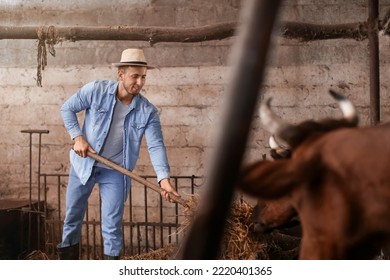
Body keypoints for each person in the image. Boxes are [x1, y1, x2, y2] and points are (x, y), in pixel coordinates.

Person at [57, 48, 180, 260]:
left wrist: (164, 180)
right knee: (72, 218)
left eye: (143, 77)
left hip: (115, 171)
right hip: (83, 164)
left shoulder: (147, 111)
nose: (140, 83)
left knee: (111, 226)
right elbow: (67, 108)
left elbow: (156, 145)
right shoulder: (96, 90)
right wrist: (77, 137)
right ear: (120, 75)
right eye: (135, 76)